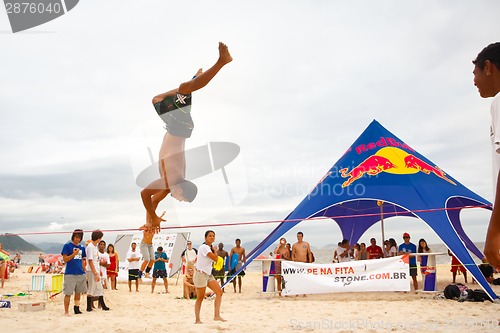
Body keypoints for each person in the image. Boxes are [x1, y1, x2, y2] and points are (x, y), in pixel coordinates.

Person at [140, 42, 233, 232]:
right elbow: (144, 195)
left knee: (157, 99)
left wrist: (150, 222)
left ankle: (194, 81)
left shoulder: (169, 185)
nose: (178, 200)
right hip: (178, 127)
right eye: (182, 199)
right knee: (183, 88)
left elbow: (153, 202)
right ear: (180, 190)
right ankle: (221, 62)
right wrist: (154, 217)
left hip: (179, 127)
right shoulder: (171, 180)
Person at [473, 42, 500, 271]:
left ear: (489, 67)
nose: (474, 81)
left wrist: (493, 232)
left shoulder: (499, 102)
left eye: (475, 73)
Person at [194, 230, 225, 324]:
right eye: (210, 236)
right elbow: (215, 258)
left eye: (213, 236)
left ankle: (216, 315)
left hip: (208, 274)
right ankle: (197, 319)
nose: (212, 237)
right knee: (200, 297)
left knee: (219, 292)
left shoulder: (209, 247)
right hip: (201, 274)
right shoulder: (204, 247)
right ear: (205, 237)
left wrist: (214, 251)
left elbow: (215, 260)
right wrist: (215, 251)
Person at [61, 229, 86, 316]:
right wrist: (73, 254)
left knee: (78, 292)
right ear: (73, 237)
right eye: (76, 237)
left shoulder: (82, 248)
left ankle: (77, 309)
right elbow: (65, 259)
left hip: (80, 272)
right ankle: (66, 311)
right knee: (68, 293)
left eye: (79, 238)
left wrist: (84, 269)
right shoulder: (67, 246)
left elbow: (82, 260)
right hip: (70, 273)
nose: (77, 239)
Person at [86, 230, 109, 312]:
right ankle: (88, 307)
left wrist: (98, 271)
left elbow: (96, 261)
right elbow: (90, 261)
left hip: (96, 270)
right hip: (92, 270)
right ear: (98, 238)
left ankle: (103, 305)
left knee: (99, 288)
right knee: (91, 288)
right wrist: (95, 273)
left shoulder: (95, 247)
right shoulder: (90, 247)